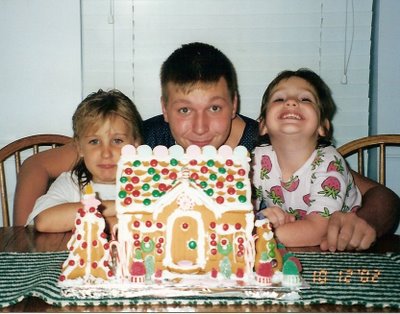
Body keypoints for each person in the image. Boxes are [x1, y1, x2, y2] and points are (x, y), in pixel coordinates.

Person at [14, 42, 399, 251]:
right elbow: (36, 167)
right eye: (184, 110)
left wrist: (364, 223)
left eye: (214, 108)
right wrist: (21, 241)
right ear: (165, 109)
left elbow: (379, 194)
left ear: (235, 104)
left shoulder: (264, 145)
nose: (199, 127)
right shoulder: (139, 141)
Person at [252, 69, 362, 247]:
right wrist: (261, 218)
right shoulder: (258, 159)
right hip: (291, 245)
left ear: (322, 126)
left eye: (305, 99)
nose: (291, 102)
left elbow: (318, 229)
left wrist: (261, 235)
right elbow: (244, 209)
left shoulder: (329, 162)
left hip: (341, 250)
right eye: (279, 99)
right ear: (263, 125)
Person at [24, 89, 143, 232]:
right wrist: (122, 206)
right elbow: (44, 221)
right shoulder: (72, 183)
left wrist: (101, 221)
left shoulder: (147, 184)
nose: (106, 153)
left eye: (117, 140)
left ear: (136, 144)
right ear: (80, 147)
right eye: (94, 141)